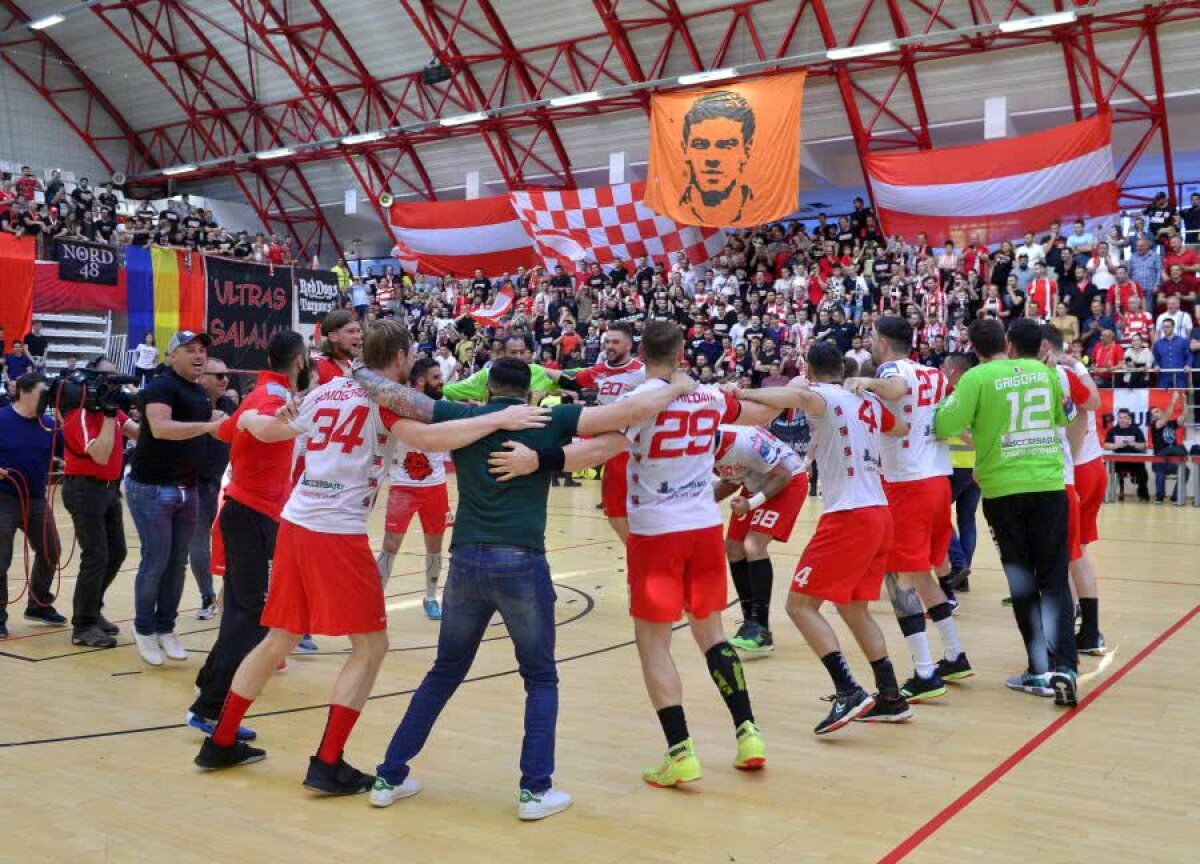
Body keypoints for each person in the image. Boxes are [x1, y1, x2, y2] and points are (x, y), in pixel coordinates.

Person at [193, 320, 550, 795]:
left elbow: (260, 427)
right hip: (335, 532)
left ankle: (219, 740)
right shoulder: (382, 403)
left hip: (295, 520)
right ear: (402, 357)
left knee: (279, 637)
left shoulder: (322, 393)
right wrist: (496, 419)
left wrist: (251, 418)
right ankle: (327, 761)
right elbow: (429, 441)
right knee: (370, 646)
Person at [369, 356, 698, 819]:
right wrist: (672, 388)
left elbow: (399, 405)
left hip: (465, 559)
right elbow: (619, 420)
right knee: (540, 676)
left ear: (487, 391)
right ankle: (534, 790)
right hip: (521, 560)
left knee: (443, 672)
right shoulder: (550, 417)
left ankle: (388, 776)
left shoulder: (463, 415)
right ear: (528, 393)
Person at [579, 320, 779, 787]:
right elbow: (754, 415)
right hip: (704, 527)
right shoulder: (709, 397)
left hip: (656, 532)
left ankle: (680, 751)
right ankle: (748, 733)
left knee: (654, 643)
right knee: (711, 634)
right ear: (682, 351)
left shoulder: (638, 401)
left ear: (639, 351)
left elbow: (592, 448)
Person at [736, 342, 913, 731]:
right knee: (853, 608)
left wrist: (743, 391)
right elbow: (901, 427)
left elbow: (799, 396)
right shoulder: (864, 401)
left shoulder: (823, 396)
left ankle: (848, 690)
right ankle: (890, 695)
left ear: (809, 369)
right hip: (879, 511)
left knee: (799, 607)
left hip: (849, 515)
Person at [934, 318, 1079, 707]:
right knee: (1054, 579)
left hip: (1004, 491)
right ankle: (1065, 666)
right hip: (1049, 487)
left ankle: (1038, 670)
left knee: (1023, 582)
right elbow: (1067, 416)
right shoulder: (1047, 374)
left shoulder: (977, 378)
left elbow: (945, 422)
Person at [186, 331, 311, 741]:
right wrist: (284, 421)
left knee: (245, 611)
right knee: (250, 616)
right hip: (253, 515)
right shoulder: (273, 401)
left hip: (249, 512)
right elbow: (257, 428)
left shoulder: (260, 393)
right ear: (299, 360)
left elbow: (225, 432)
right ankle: (208, 706)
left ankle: (209, 688)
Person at [845, 316, 972, 704]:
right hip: (937, 479)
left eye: (872, 337)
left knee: (898, 577)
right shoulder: (933, 372)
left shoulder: (892, 370)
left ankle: (924, 671)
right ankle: (954, 655)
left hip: (908, 484)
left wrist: (867, 382)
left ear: (883, 342)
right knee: (921, 574)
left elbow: (895, 388)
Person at [126, 331, 228, 667]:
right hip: (152, 488)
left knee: (177, 561)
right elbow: (161, 428)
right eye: (189, 350)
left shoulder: (198, 392)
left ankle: (165, 627)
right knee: (156, 560)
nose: (198, 356)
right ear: (172, 357)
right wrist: (207, 425)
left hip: (188, 488)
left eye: (202, 350)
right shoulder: (160, 386)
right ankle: (144, 629)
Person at [61, 358, 140, 648]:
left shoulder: (112, 412)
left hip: (108, 490)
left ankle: (92, 610)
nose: (112, 384)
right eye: (107, 378)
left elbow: (137, 432)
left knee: (116, 552)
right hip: (84, 489)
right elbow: (101, 455)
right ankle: (83, 625)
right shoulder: (79, 416)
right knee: (95, 555)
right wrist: (109, 415)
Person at [712, 424, 809, 658]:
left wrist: (750, 504)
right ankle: (750, 623)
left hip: (788, 481)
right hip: (756, 483)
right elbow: (731, 480)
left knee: (753, 545)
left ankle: (762, 631)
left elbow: (783, 475)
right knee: (733, 548)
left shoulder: (743, 441)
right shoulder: (701, 448)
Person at [550, 322, 645, 542]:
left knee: (640, 513)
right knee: (614, 514)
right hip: (608, 451)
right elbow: (571, 379)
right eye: (607, 342)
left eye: (615, 342)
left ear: (629, 345)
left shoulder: (642, 372)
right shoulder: (599, 371)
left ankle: (645, 558)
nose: (609, 346)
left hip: (634, 450)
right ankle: (638, 554)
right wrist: (536, 370)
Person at [376, 358, 453, 619]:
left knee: (435, 546)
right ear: (420, 381)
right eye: (435, 377)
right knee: (390, 544)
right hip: (403, 487)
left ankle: (431, 597)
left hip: (436, 487)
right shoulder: (400, 404)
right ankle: (374, 602)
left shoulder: (442, 407)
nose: (441, 381)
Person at [0, 373, 66, 638]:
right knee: (0, 559)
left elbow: (64, 453)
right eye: (43, 389)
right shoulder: (2, 418)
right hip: (3, 497)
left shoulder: (48, 424)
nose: (47, 394)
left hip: (36, 499)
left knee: (51, 550)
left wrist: (64, 462)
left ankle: (38, 604)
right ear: (25, 391)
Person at [190, 357, 237, 620]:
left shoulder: (230, 404)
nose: (225, 380)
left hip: (226, 485)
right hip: (196, 484)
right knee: (198, 543)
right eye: (218, 376)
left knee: (230, 543)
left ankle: (226, 595)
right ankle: (206, 597)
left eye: (226, 375)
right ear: (202, 377)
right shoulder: (192, 404)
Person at [678, 90, 755, 225]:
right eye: (700, 145)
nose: (712, 159)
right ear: (685, 150)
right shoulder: (674, 211)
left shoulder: (759, 206)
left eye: (726, 146)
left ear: (746, 151)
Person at [941, 354, 980, 595]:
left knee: (939, 517)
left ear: (954, 370)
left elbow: (944, 425)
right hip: (976, 467)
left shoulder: (954, 396)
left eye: (945, 367)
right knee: (967, 520)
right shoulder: (980, 393)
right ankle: (963, 577)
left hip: (954, 465)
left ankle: (959, 565)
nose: (943, 371)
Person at [442, 335, 561, 402]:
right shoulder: (487, 375)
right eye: (513, 353)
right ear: (503, 353)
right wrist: (471, 408)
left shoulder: (538, 371)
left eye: (522, 352)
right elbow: (448, 391)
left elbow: (564, 388)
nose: (518, 357)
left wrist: (546, 393)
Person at [1103, 408, 1149, 501]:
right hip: (1117, 462)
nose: (1122, 420)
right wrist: (1116, 445)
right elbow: (1106, 445)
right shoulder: (1113, 430)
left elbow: (1144, 445)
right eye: (1120, 417)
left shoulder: (1136, 430)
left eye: (1124, 418)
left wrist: (1134, 444)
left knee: (1143, 472)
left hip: (1133, 462)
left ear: (1129, 419)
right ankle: (1106, 495)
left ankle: (1142, 493)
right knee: (1103, 468)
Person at [1150, 391, 1186, 504]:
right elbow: (1166, 417)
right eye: (1154, 413)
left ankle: (1175, 496)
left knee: (1186, 471)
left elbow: (1183, 416)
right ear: (1152, 417)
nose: (1157, 413)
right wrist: (1174, 400)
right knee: (1160, 468)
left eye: (1157, 410)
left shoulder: (1171, 423)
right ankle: (1160, 496)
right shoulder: (1154, 425)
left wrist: (1184, 401)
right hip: (1160, 459)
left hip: (1173, 460)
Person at [313, 309, 362, 384]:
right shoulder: (315, 366)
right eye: (351, 331)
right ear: (333, 337)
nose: (358, 336)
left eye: (358, 331)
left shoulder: (353, 366)